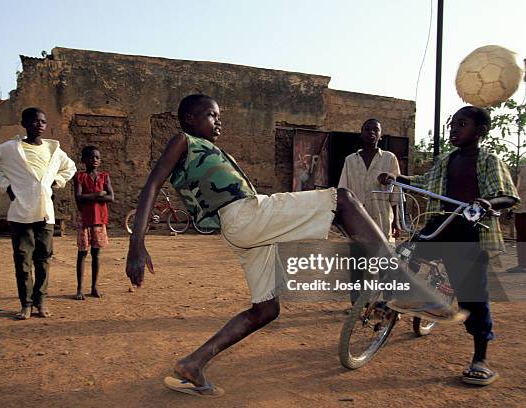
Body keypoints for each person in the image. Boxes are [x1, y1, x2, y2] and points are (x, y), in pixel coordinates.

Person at [126, 94, 463, 397]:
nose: (219, 122)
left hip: (242, 229)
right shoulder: (183, 140)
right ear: (189, 119)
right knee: (342, 199)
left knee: (266, 309)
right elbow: (152, 185)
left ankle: (192, 365)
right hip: (247, 216)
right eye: (213, 115)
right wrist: (136, 243)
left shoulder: (203, 147)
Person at [379, 106, 519, 386]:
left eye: (461, 124)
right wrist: (396, 179)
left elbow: (507, 195)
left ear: (480, 131)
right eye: (452, 124)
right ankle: (412, 299)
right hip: (441, 225)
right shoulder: (447, 159)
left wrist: (487, 203)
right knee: (405, 252)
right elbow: (423, 182)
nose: (453, 129)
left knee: (473, 298)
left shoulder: (489, 160)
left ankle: (481, 358)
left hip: (470, 232)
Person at [0, 107, 76, 320]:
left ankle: (40, 302)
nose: (39, 125)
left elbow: (71, 167)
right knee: (23, 261)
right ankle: (26, 304)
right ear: (24, 124)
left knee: (43, 260)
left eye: (42, 121)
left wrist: (55, 182)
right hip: (20, 213)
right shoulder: (11, 148)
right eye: (33, 121)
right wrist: (6, 185)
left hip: (45, 214)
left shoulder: (53, 151)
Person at [338, 118, 402, 304]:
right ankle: (356, 303)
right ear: (361, 133)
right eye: (367, 129)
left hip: (382, 218)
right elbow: (343, 189)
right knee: (358, 264)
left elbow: (396, 192)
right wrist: (342, 219)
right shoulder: (351, 160)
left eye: (376, 130)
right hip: (357, 220)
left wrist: (396, 221)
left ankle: (390, 305)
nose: (371, 132)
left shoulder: (389, 159)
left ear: (380, 135)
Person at [74, 145, 114, 300]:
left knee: (96, 254)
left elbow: (111, 197)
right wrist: (98, 194)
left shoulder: (104, 176)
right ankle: (79, 289)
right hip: (84, 219)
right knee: (82, 253)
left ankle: (94, 287)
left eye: (97, 157)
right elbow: (78, 197)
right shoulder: (79, 177)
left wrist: (88, 196)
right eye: (91, 157)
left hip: (99, 219)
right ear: (84, 160)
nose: (95, 160)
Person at [507, 164, 526, 273]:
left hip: (522, 208)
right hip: (521, 208)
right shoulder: (523, 168)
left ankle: (523, 264)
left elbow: (519, 188)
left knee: (522, 236)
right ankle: (522, 264)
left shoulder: (524, 169)